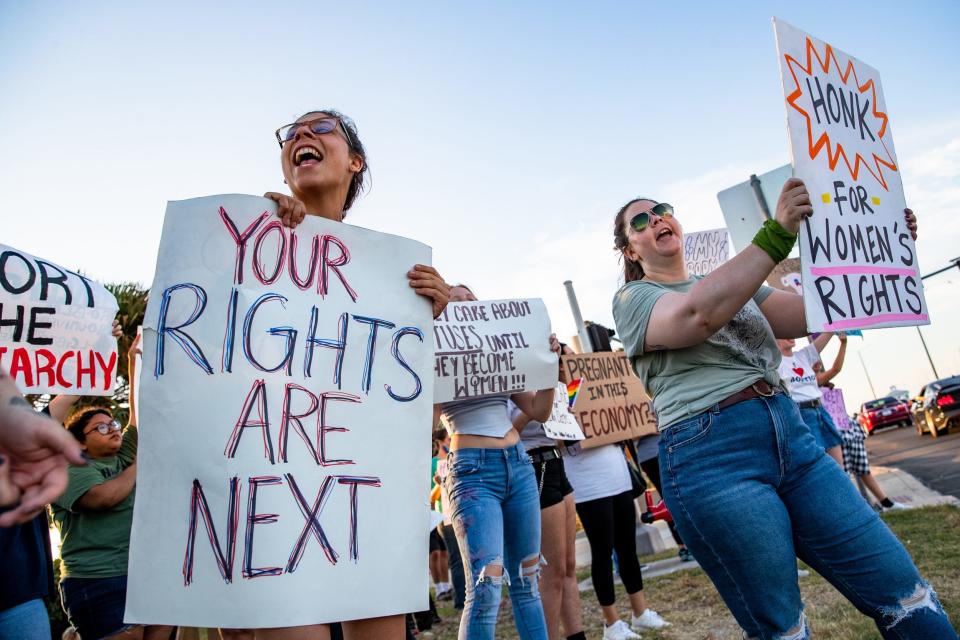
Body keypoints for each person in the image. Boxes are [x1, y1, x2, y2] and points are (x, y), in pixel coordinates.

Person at [611, 179, 956, 639]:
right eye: (640, 220)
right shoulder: (633, 300)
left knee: (903, 591)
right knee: (784, 628)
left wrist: (884, 256)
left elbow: (818, 310)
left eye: (662, 210)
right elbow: (698, 316)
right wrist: (776, 233)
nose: (655, 219)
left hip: (794, 439)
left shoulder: (736, 284)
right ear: (631, 251)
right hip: (713, 459)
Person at [260, 109, 450, 640]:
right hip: (273, 493)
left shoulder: (392, 273)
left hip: (362, 492)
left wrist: (421, 319)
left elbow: (411, 405)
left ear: (355, 162)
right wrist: (257, 233)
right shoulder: (248, 242)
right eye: (291, 132)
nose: (301, 135)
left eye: (321, 128)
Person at [438, 284, 558, 640]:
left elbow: (540, 410)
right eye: (454, 302)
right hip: (472, 472)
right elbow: (429, 425)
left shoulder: (501, 357)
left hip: (518, 466)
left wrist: (550, 369)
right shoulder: (437, 355)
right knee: (485, 587)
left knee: (527, 581)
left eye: (470, 301)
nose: (463, 306)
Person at [51, 335, 173, 640]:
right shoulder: (69, 467)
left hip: (142, 574)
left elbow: (140, 412)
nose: (113, 430)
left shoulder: (124, 458)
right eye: (101, 427)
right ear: (80, 440)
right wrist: (142, 461)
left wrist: (134, 360)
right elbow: (104, 497)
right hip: (97, 581)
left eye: (113, 425)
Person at [509, 343, 585, 640]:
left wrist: (561, 412)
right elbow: (506, 432)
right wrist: (535, 408)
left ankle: (577, 635)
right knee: (550, 574)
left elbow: (558, 433)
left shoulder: (541, 373)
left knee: (567, 566)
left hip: (555, 463)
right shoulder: (504, 380)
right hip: (532, 465)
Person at [563, 442, 670, 640]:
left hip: (617, 472)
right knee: (602, 550)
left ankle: (640, 612)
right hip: (586, 479)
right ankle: (612, 624)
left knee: (628, 547)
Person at [776, 332, 846, 466]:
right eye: (784, 332)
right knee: (818, 464)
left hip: (821, 411)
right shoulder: (776, 363)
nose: (790, 335)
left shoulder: (803, 355)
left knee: (839, 466)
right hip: (801, 414)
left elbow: (828, 332)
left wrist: (834, 327)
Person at [631, 433, 690, 561]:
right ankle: (685, 545)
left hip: (650, 454)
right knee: (674, 499)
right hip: (658, 451)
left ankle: (684, 546)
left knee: (669, 499)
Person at [434, 428, 466, 610]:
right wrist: (440, 483)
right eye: (447, 439)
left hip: (460, 511)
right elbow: (430, 495)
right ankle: (460, 599)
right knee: (456, 558)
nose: (449, 441)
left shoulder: (455, 458)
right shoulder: (434, 463)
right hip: (445, 516)